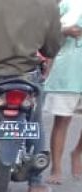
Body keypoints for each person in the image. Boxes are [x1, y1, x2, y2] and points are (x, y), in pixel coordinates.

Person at [0, 0, 62, 192]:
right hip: (25, 77)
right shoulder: (48, 6)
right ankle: (36, 182)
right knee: (34, 122)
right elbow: (52, 48)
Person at [44, 1, 82, 182]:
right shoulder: (67, 3)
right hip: (68, 71)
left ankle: (77, 153)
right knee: (62, 120)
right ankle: (56, 168)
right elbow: (49, 29)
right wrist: (66, 31)